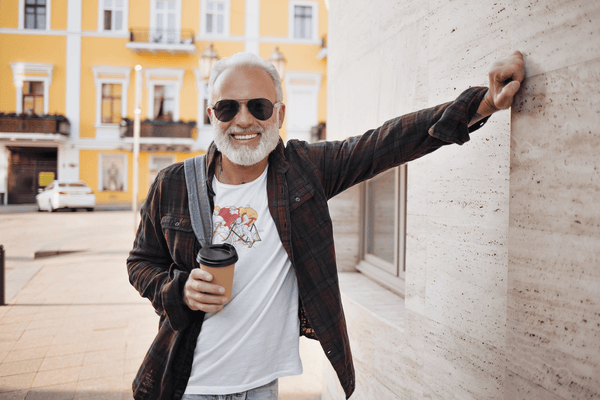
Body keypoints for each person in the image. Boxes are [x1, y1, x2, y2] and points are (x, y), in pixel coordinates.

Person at [127, 50, 525, 400]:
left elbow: (386, 142)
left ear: (279, 114)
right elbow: (140, 262)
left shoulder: (304, 172)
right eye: (228, 107)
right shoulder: (173, 183)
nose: (243, 120)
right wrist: (178, 290)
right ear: (212, 114)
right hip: (186, 383)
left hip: (262, 385)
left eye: (259, 107)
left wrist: (483, 103)